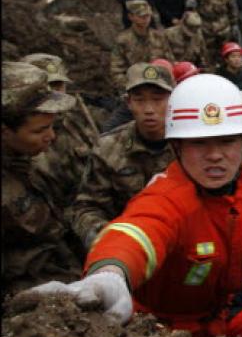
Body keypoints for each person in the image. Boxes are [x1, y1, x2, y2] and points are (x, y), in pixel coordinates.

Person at [24, 74, 242, 337]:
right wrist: (110, 273)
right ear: (177, 147)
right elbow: (137, 231)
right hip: (154, 328)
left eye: (226, 141)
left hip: (220, 320)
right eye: (199, 144)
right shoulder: (168, 195)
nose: (215, 156)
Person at [71, 63, 175, 249]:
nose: (149, 109)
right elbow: (86, 208)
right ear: (128, 103)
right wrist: (107, 238)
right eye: (140, 100)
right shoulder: (108, 148)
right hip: (128, 244)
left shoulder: (189, 145)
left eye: (158, 99)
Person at [2, 62, 81, 294]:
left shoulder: (28, 160)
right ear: (5, 132)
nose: (51, 136)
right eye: (39, 131)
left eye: (51, 126)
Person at [20, 54, 99, 213]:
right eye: (49, 86)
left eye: (59, 85)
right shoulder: (21, 139)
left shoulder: (75, 120)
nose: (57, 94)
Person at [110, 0, 174, 90]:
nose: (145, 19)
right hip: (134, 88)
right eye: (141, 16)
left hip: (160, 87)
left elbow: (170, 63)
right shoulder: (123, 41)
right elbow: (116, 72)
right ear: (130, 16)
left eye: (148, 15)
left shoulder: (159, 37)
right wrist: (131, 85)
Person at [191, 0, 239, 64]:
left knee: (224, 54)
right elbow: (191, 5)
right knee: (206, 54)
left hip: (223, 27)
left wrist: (234, 24)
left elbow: (232, 7)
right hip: (205, 26)